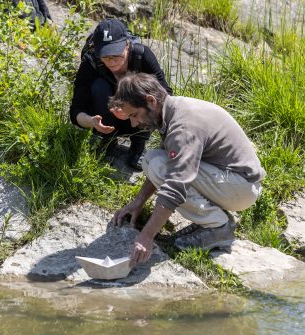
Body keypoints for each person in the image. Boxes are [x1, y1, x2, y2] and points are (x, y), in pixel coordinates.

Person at [109, 72, 266, 266]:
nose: (134, 123)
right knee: (152, 160)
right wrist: (139, 201)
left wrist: (146, 236)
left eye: (134, 115)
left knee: (158, 165)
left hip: (241, 187)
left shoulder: (183, 126)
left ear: (151, 101)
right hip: (230, 180)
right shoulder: (174, 108)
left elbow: (176, 183)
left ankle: (218, 226)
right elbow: (172, 164)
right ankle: (213, 219)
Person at [69, 18, 172, 170]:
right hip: (103, 118)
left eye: (116, 55)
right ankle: (107, 140)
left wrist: (134, 110)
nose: (111, 62)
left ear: (127, 44)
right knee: (99, 86)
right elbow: (76, 109)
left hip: (139, 120)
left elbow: (166, 96)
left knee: (145, 88)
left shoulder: (141, 56)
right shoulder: (91, 61)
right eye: (105, 56)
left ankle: (138, 144)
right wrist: (92, 122)